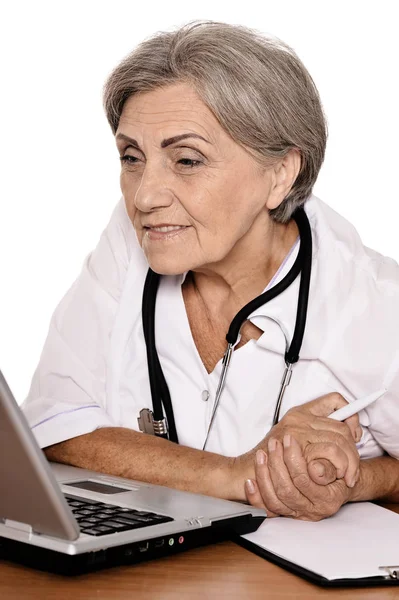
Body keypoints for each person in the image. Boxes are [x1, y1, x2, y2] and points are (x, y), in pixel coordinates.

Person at [22, 21, 399, 521]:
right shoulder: (135, 240)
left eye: (187, 160)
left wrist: (357, 478)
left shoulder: (373, 304)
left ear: (280, 175)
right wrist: (236, 474)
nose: (144, 196)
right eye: (131, 157)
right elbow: (56, 420)